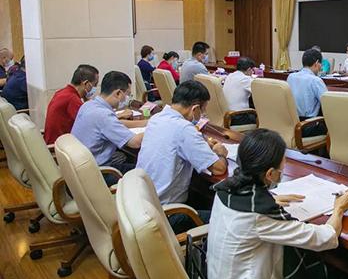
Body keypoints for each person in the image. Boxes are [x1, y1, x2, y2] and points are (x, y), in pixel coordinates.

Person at [207, 128, 348, 279]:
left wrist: (270, 199)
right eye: (282, 166)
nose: (283, 169)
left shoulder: (225, 190)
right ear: (270, 174)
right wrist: (339, 209)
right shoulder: (260, 213)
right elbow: (324, 238)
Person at [136, 80, 228, 234]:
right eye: (203, 111)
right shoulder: (184, 129)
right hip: (166, 215)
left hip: (142, 204)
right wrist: (220, 153)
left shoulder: (157, 118)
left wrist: (200, 142)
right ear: (195, 108)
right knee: (226, 220)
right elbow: (219, 169)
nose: (203, 115)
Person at [71, 71, 146, 180]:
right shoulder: (103, 115)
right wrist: (156, 126)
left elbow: (116, 123)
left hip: (81, 169)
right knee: (146, 172)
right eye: (127, 94)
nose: (127, 98)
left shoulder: (88, 105)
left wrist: (145, 122)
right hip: (99, 174)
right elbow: (135, 143)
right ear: (118, 93)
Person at [44, 64, 99, 145]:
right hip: (60, 147)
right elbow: (91, 125)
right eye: (95, 84)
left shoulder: (63, 92)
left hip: (56, 143)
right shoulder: (72, 99)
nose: (95, 88)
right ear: (86, 84)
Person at [286, 48, 327, 137]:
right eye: (321, 64)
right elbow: (327, 104)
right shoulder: (316, 80)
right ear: (316, 63)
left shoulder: (291, 77)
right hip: (308, 126)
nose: (321, 67)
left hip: (291, 125)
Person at [223, 56, 257, 126]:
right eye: (252, 70)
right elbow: (260, 92)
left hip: (226, 115)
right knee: (260, 116)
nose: (252, 72)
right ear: (249, 69)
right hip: (237, 117)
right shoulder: (245, 79)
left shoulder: (230, 75)